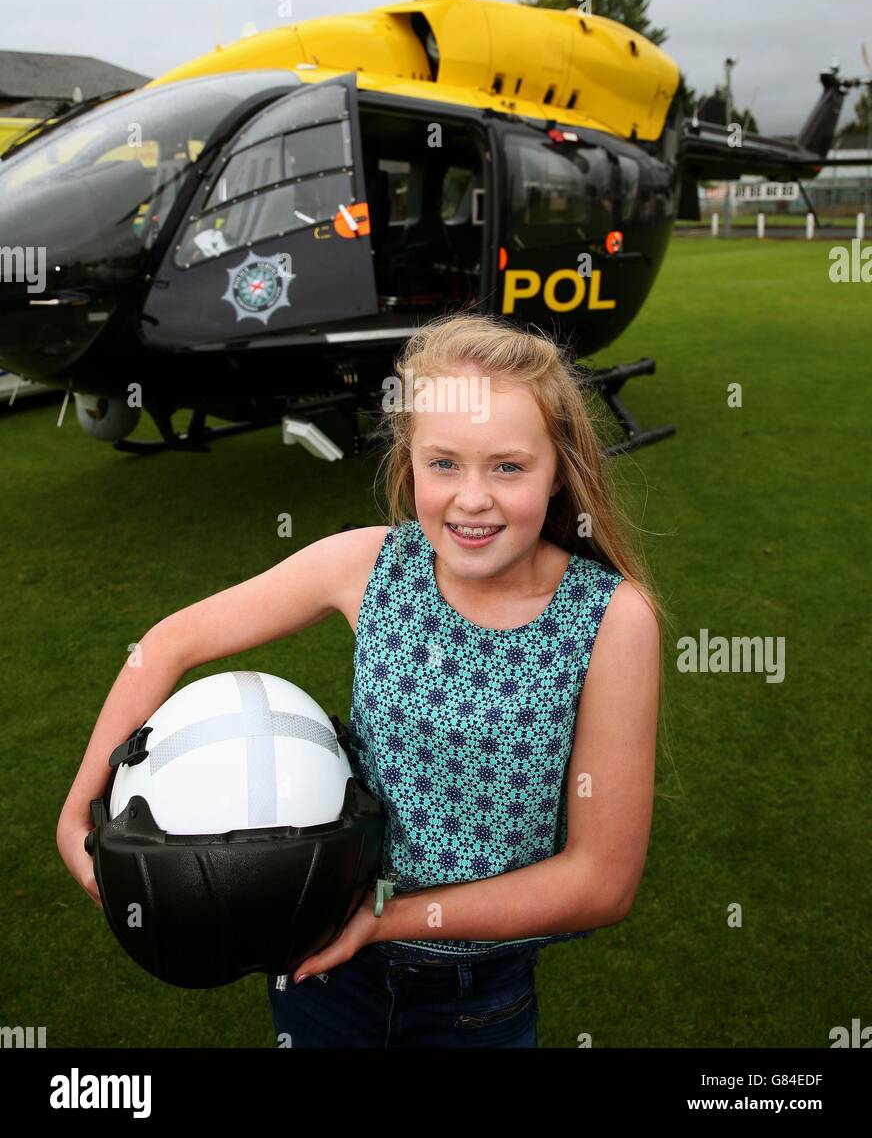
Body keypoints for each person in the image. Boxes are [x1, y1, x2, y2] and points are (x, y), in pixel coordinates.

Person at [56, 310, 664, 1048]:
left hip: (476, 1005)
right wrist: (78, 810)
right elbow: (166, 644)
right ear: (409, 461)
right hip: (318, 970)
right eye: (444, 464)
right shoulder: (372, 564)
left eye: (508, 466)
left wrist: (390, 919)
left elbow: (601, 882)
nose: (473, 498)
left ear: (559, 468)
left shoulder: (610, 620)